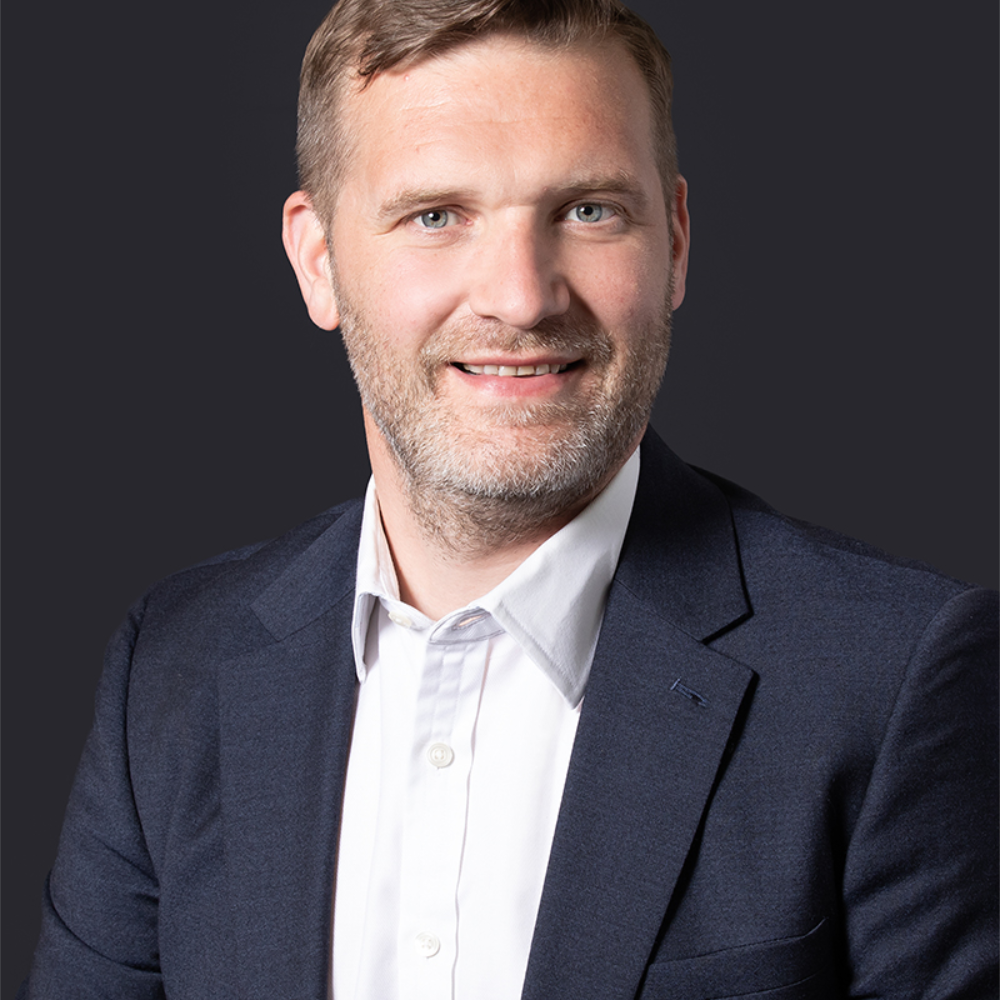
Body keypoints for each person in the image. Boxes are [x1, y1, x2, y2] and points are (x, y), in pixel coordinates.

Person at [20, 0, 999, 997]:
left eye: (589, 210)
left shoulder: (895, 680)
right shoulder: (170, 670)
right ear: (319, 261)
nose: (522, 297)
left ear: (675, 242)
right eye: (435, 216)